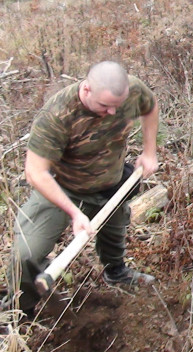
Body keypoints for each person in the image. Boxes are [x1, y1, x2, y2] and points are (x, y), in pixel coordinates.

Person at [3, 61, 159, 320]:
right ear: (86, 89)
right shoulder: (57, 114)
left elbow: (150, 106)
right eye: (104, 106)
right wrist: (74, 213)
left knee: (114, 228)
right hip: (63, 187)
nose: (111, 112)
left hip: (111, 181)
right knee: (26, 254)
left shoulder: (131, 90)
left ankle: (116, 272)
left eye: (116, 107)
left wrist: (149, 151)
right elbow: (35, 172)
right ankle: (18, 310)